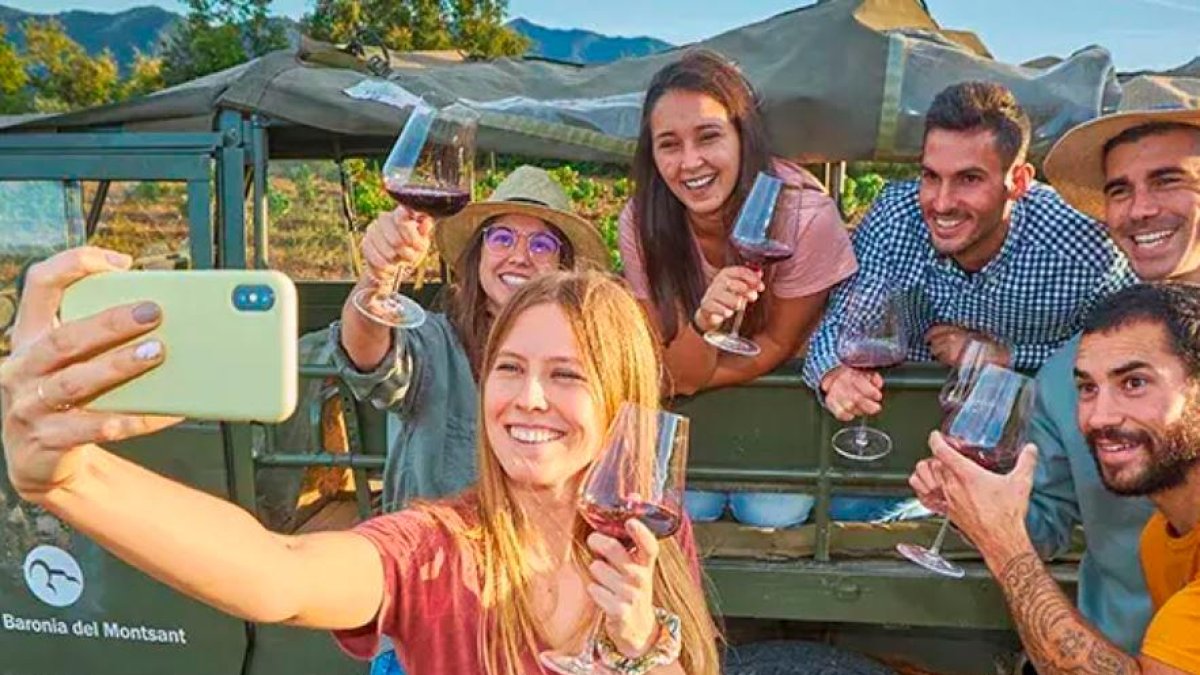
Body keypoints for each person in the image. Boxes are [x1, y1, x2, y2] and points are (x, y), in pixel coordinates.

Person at [0, 254, 721, 675]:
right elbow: (277, 571)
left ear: (620, 397)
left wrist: (639, 644)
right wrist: (71, 478)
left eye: (567, 375)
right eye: (509, 367)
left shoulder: (647, 532)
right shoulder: (438, 547)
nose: (528, 398)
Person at [913, 107, 1200, 654]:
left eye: (1168, 181)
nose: (1141, 209)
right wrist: (975, 505)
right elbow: (1043, 522)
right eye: (1120, 190)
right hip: (1107, 652)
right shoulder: (1071, 370)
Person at [803, 81, 1135, 423]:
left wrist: (1008, 355)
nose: (942, 203)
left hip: (1036, 430)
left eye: (969, 179)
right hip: (901, 417)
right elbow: (842, 325)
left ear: (1018, 182)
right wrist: (835, 375)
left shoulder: (1082, 241)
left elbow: (1127, 350)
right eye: (931, 176)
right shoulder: (895, 216)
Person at [913, 283, 1200, 674]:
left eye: (1134, 383)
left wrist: (1005, 543)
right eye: (1086, 388)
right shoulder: (1162, 536)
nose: (1100, 417)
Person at [333, 165, 609, 512]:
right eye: (502, 238)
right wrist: (377, 278)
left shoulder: (589, 355)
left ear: (564, 267)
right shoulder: (435, 343)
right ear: (478, 255)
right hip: (436, 558)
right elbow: (366, 353)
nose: (519, 257)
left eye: (541, 245)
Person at [618, 49, 857, 397]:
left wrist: (679, 379)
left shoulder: (806, 219)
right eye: (669, 145)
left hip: (793, 397)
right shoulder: (641, 221)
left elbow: (775, 344)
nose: (689, 162)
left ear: (743, 136)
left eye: (708, 137)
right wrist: (702, 327)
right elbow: (658, 347)